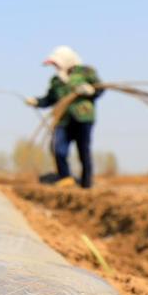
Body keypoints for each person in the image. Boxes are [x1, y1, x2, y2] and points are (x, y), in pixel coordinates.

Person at [26, 45, 101, 188]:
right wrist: (36, 101)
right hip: (63, 119)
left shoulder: (86, 72)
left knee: (83, 151)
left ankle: (86, 184)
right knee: (57, 148)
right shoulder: (56, 80)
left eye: (55, 63)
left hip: (83, 118)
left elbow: (100, 89)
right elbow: (50, 99)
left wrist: (91, 91)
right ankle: (66, 178)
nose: (54, 66)